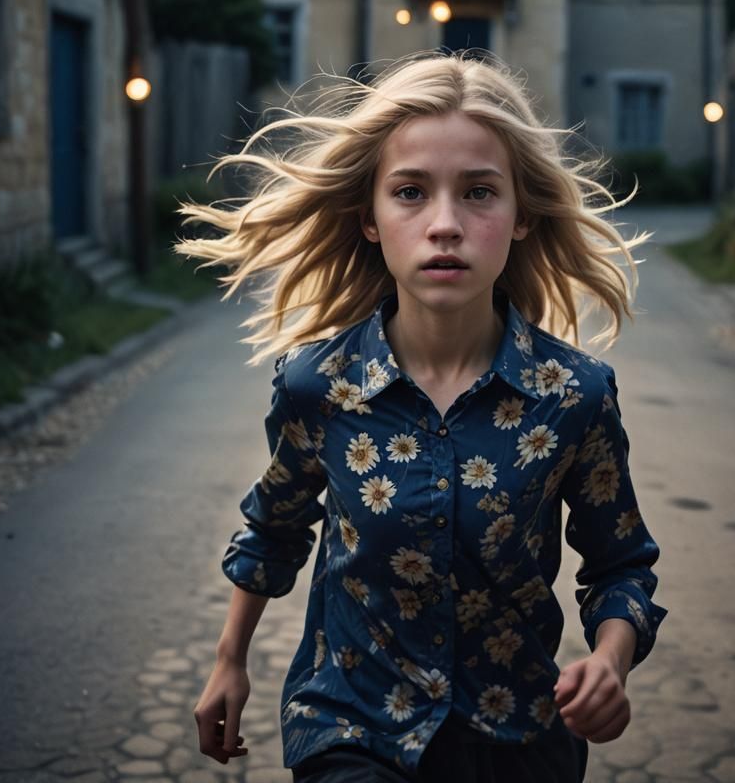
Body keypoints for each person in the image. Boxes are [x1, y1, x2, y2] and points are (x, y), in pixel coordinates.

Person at [180, 50, 668, 782]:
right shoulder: (320, 385)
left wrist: (610, 661)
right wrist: (229, 663)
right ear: (371, 219)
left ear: (523, 215)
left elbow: (620, 564)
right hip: (351, 723)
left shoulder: (576, 396)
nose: (445, 224)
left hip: (518, 738)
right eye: (410, 192)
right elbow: (274, 528)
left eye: (479, 193)